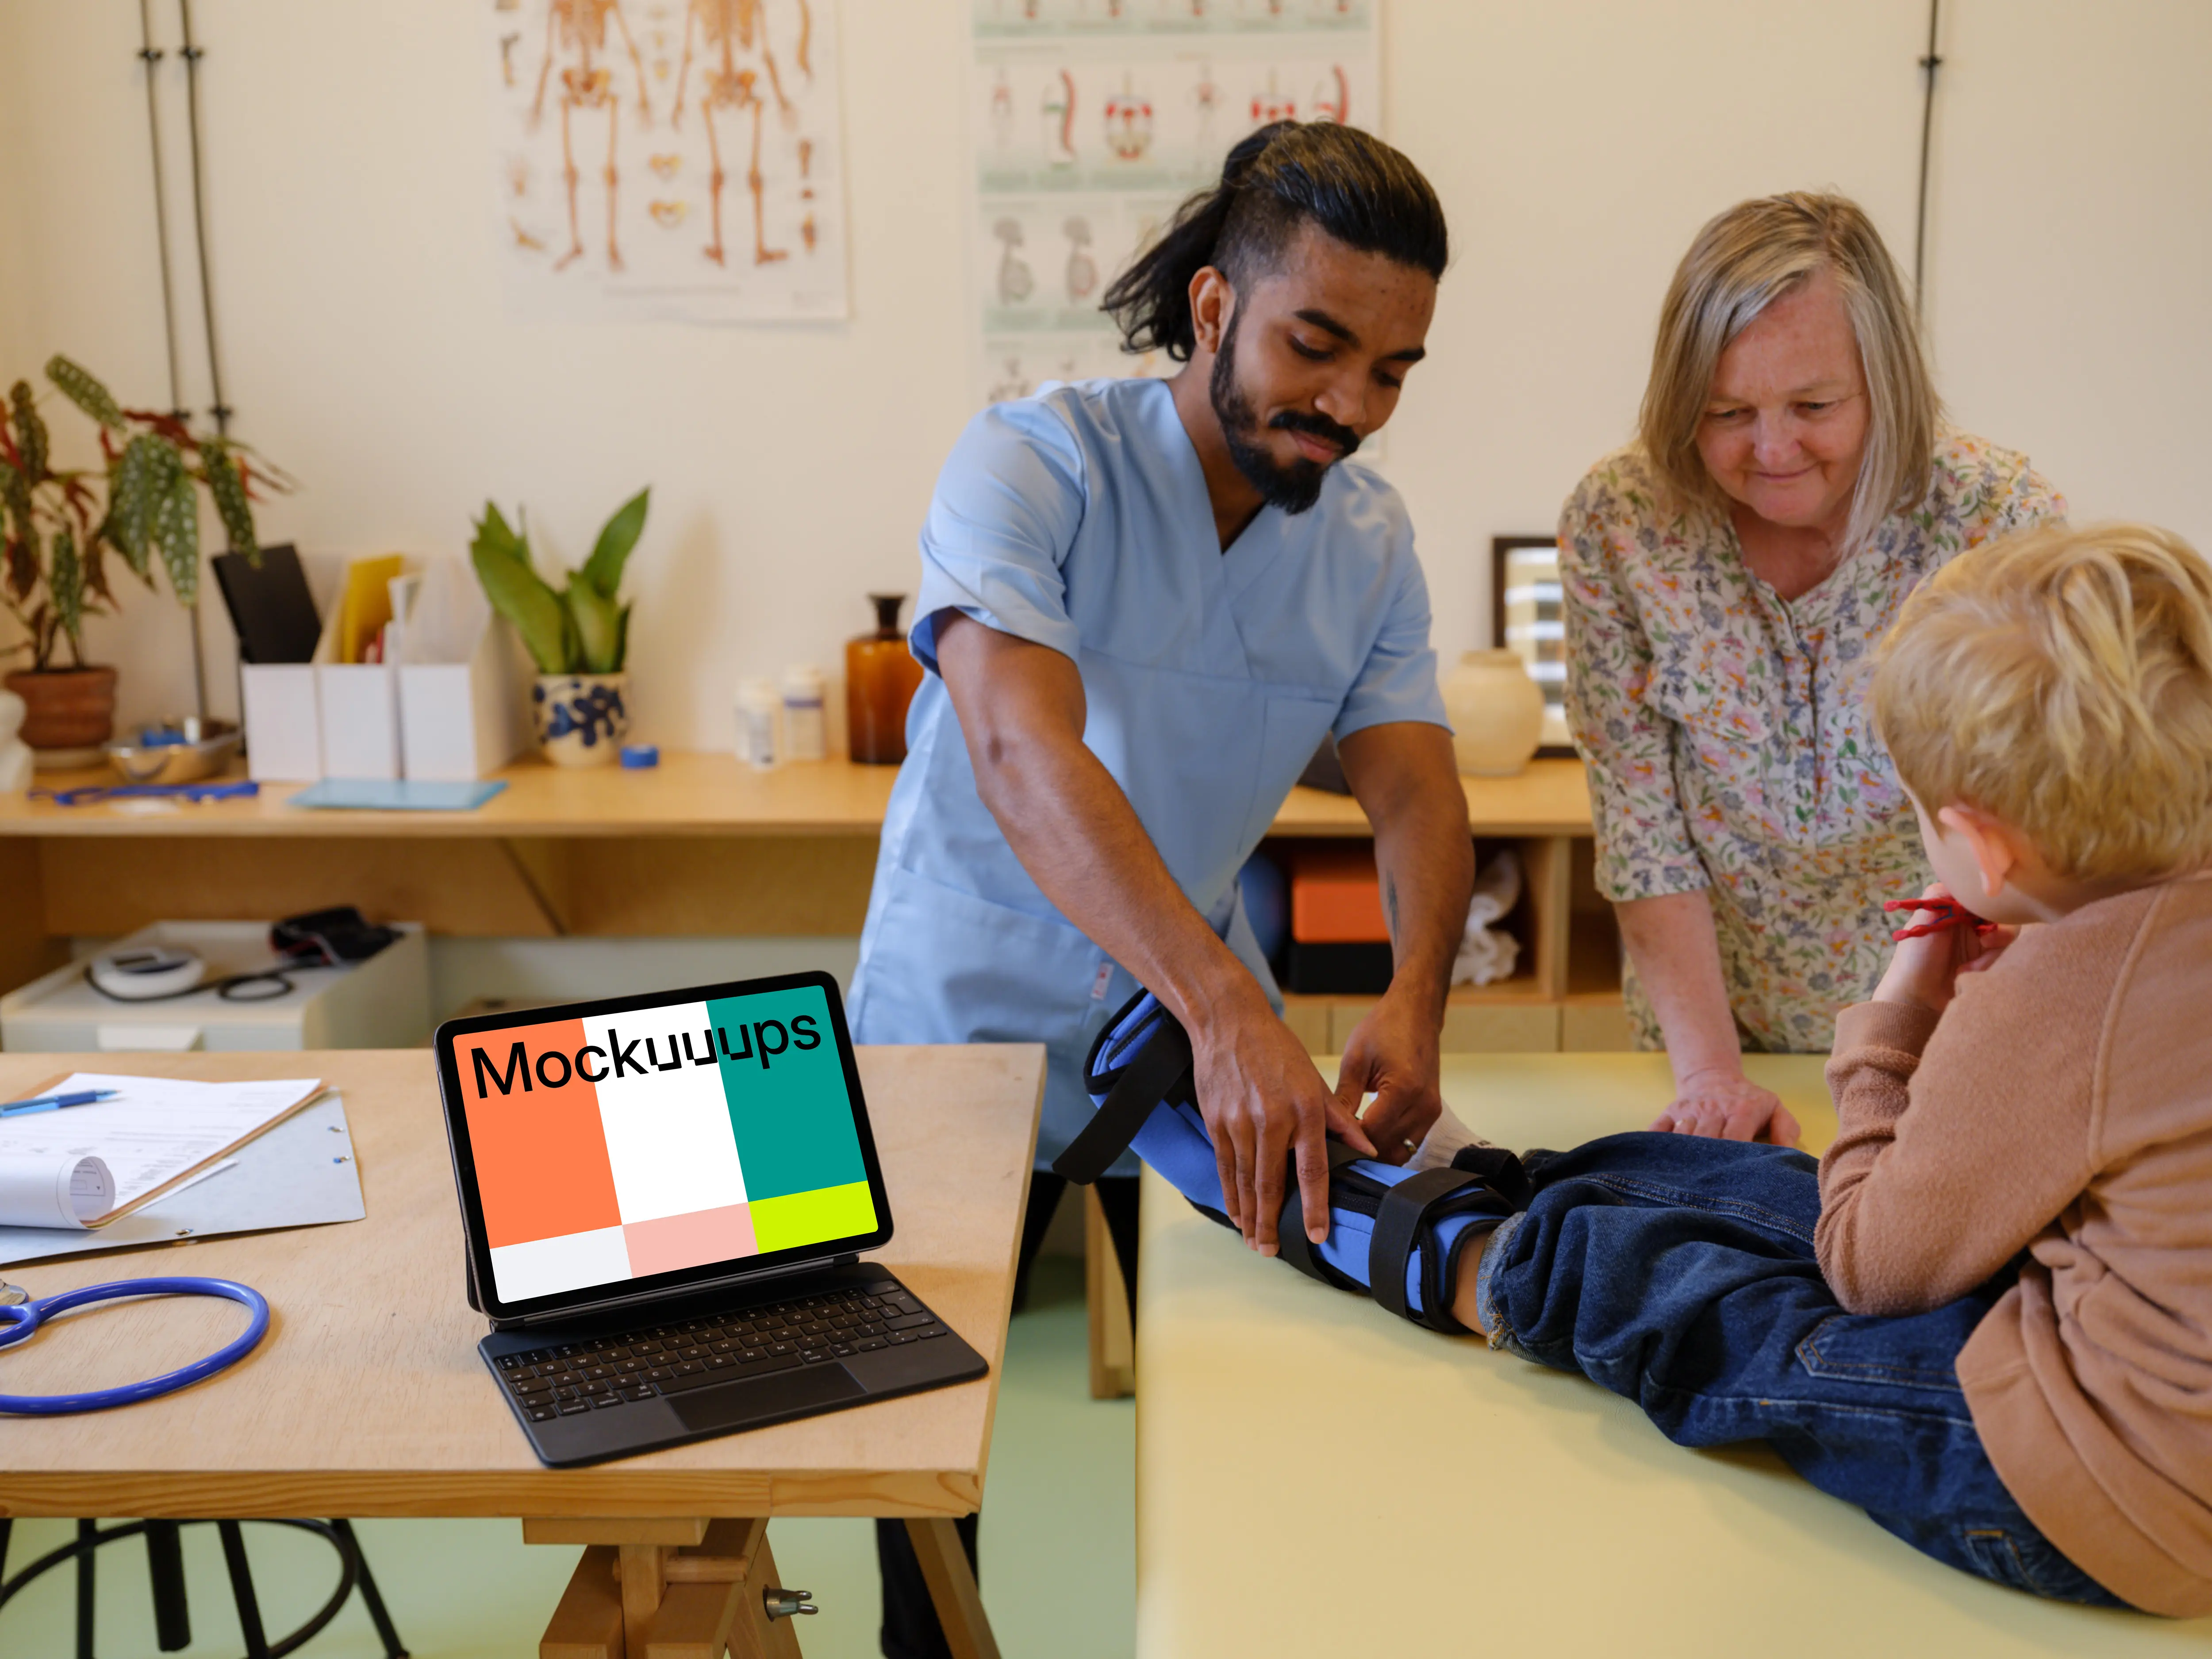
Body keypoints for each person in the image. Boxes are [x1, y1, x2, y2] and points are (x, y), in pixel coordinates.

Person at [1089, 520, 2212, 1612]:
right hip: (2131, 1373)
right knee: (1769, 1189)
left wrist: (1897, 1016)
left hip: (2108, 1490)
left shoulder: (2060, 999)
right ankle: (1499, 1177)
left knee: (1706, 1305)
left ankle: (1449, 1247)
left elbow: (1873, 1274)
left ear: (1985, 848)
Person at [847, 121, 1474, 1658]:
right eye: (1317, 347)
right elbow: (1019, 748)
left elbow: (1412, 785)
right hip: (967, 1022)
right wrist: (1227, 1005)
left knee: (1240, 1379)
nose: (1351, 406)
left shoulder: (1368, 542)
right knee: (920, 1443)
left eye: (1392, 372)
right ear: (1213, 306)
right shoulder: (1034, 463)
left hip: (1168, 1045)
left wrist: (1416, 995)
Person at [1558, 192, 2066, 1145]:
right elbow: (1640, 826)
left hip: (1951, 1020)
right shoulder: (1620, 521)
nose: (1773, 449)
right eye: (1726, 412)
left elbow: (2032, 824)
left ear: (1885, 381)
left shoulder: (1994, 520)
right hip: (1710, 1029)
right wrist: (1711, 1076)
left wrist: (1917, 1044)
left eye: (1814, 406)